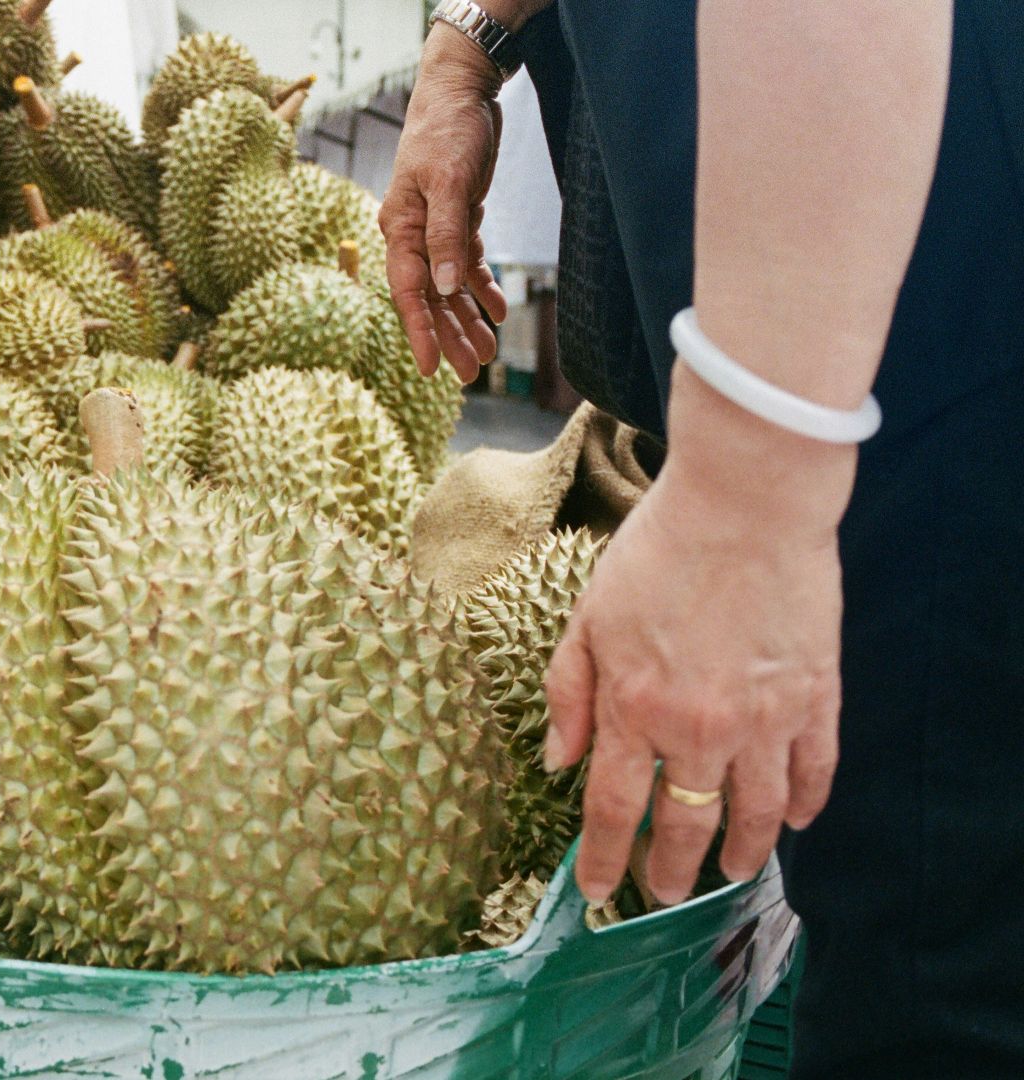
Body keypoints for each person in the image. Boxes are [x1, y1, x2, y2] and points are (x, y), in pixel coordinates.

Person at [381, 2, 1024, 1076]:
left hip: (918, 248)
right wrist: (471, 43)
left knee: (943, 970)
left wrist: (752, 481)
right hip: (832, 241)